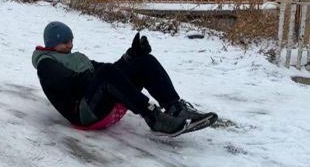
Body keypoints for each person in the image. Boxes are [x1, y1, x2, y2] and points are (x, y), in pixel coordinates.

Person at [32, 22, 217, 137]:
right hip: (84, 113)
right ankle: (154, 117)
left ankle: (176, 108)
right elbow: (65, 85)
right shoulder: (46, 64)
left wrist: (131, 55)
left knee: (143, 61)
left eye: (71, 40)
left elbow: (111, 71)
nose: (70, 45)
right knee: (106, 73)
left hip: (100, 103)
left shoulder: (76, 56)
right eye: (65, 42)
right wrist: (94, 76)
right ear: (52, 44)